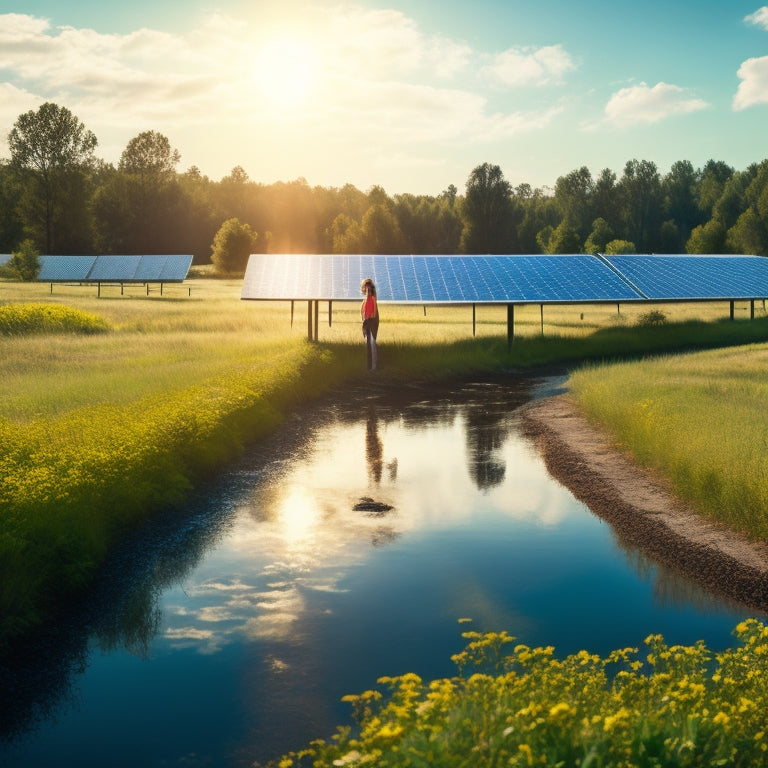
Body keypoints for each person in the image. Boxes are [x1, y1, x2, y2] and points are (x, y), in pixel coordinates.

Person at [360, 278, 379, 371]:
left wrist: (370, 317)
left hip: (371, 322)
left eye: (369, 289)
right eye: (366, 289)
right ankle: (369, 366)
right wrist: (364, 318)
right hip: (366, 323)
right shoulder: (364, 301)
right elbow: (362, 312)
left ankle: (373, 366)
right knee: (368, 343)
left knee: (372, 343)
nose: (368, 291)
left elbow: (374, 312)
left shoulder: (373, 299)